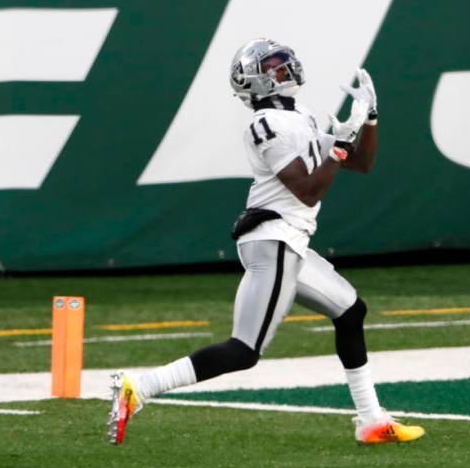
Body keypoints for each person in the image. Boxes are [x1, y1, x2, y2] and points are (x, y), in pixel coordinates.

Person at [108, 39, 424, 446]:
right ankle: (139, 386)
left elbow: (360, 163)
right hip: (273, 241)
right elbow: (307, 190)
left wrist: (371, 120)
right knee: (244, 351)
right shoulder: (264, 125)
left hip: (289, 242)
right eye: (274, 67)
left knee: (350, 311)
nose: (284, 69)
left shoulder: (301, 115)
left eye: (282, 63)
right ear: (254, 82)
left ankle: (371, 419)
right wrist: (342, 144)